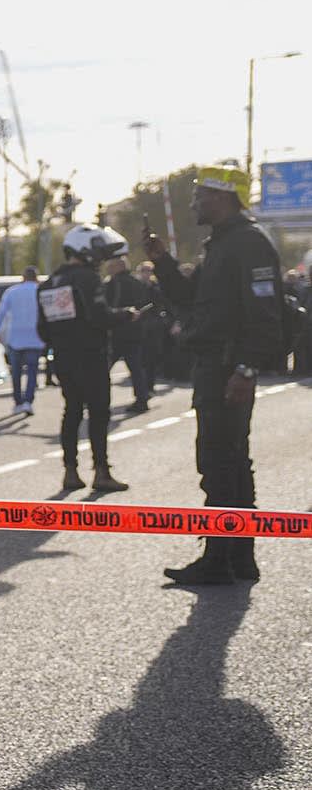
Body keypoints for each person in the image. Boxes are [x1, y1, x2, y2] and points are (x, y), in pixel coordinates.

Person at [149, 167, 288, 586]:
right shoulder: (223, 244)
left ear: (224, 198)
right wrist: (162, 261)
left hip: (229, 369)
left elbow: (266, 314)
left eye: (201, 196)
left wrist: (246, 369)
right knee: (228, 462)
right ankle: (238, 558)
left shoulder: (248, 243)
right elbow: (192, 300)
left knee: (221, 464)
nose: (194, 203)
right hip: (217, 366)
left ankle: (221, 558)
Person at [36, 227, 132, 496]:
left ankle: (70, 471)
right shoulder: (87, 279)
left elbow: (42, 330)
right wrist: (124, 315)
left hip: (64, 359)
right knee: (99, 413)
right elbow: (100, 316)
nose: (100, 256)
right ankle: (101, 472)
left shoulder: (49, 283)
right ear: (83, 249)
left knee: (72, 411)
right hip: (91, 356)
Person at [103, 254, 156, 412]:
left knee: (104, 368)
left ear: (118, 267)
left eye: (111, 266)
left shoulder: (113, 283)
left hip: (117, 331)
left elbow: (108, 307)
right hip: (135, 332)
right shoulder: (137, 283)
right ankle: (142, 400)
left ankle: (96, 399)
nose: (108, 268)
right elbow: (148, 304)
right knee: (136, 368)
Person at [0, 266, 45, 416]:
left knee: (16, 371)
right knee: (32, 370)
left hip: (15, 337)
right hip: (36, 337)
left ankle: (18, 401)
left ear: (23, 277)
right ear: (36, 277)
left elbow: (0, 313)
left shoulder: (12, 292)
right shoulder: (41, 291)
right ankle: (28, 401)